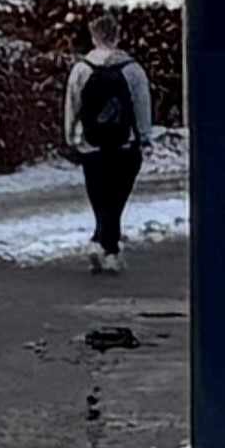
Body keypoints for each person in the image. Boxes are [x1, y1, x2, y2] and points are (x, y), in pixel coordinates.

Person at [60, 14, 154, 270]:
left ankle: (100, 241)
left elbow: (72, 104)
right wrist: (145, 136)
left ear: (94, 36)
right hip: (125, 144)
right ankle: (108, 248)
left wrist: (71, 136)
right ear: (118, 35)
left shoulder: (82, 69)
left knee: (99, 195)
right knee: (117, 197)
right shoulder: (133, 69)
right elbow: (142, 105)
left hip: (92, 144)